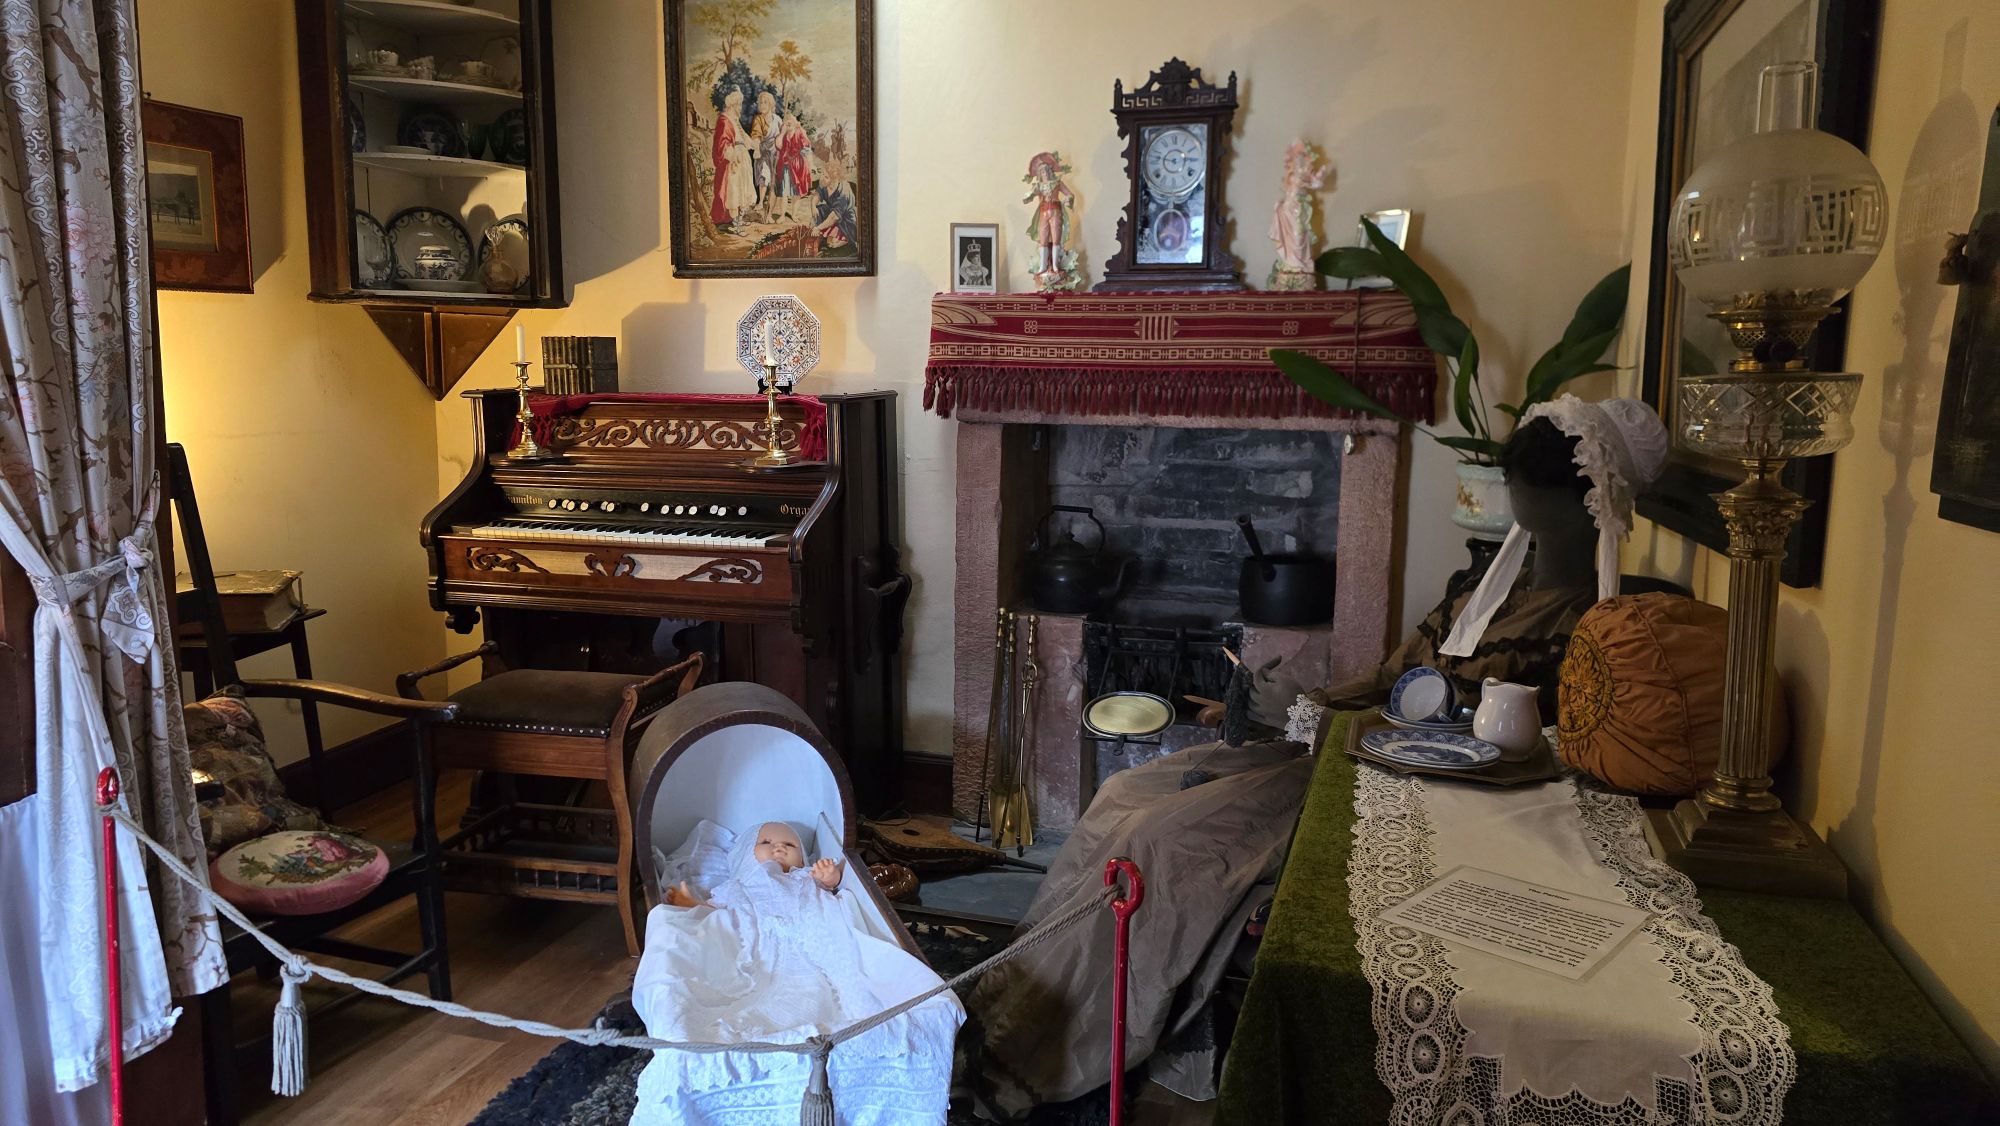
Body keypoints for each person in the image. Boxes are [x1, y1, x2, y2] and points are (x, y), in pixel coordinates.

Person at [1301, 395, 1669, 728]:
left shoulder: (1581, 628)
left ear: (1589, 499)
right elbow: (1392, 676)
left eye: (1540, 470)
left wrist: (1316, 722)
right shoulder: (1480, 589)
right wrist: (1305, 705)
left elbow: (1491, 741)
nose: (1513, 479)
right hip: (1381, 748)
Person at [710, 89, 754, 228]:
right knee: (734, 191)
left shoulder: (735, 120)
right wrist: (734, 154)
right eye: (739, 105)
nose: (740, 108)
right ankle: (735, 223)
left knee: (743, 189)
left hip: (742, 159)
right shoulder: (725, 120)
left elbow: (743, 138)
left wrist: (752, 144)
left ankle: (739, 220)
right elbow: (722, 144)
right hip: (733, 162)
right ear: (732, 105)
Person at [749, 90, 780, 217]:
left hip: (775, 152)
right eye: (760, 103)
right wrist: (756, 150)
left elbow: (782, 133)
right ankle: (761, 201)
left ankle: (771, 206)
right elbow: (756, 136)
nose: (762, 105)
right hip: (762, 151)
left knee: (774, 178)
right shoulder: (758, 119)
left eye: (765, 102)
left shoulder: (777, 119)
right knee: (763, 175)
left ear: (771, 104)